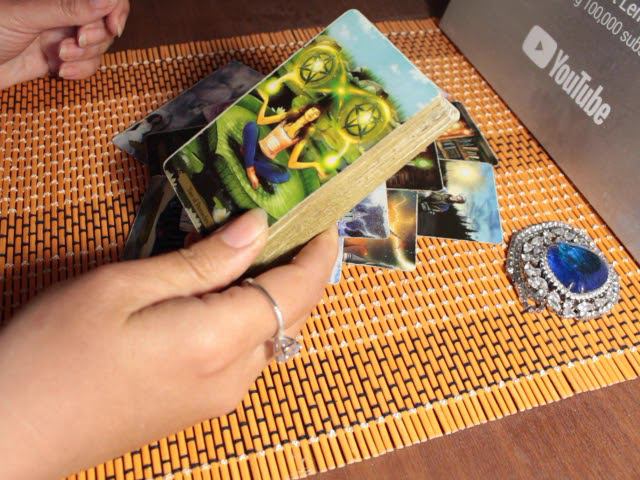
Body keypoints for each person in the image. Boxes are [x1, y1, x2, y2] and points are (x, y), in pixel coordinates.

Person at [0, 2, 339, 479]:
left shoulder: (301, 135)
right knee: (246, 138)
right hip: (252, 144)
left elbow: (293, 160)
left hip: (265, 159)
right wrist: (34, 424)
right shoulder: (278, 116)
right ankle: (248, 167)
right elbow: (259, 122)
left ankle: (252, 170)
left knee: (271, 170)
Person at [242, 91, 330, 190]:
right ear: (308, 109)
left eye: (316, 114)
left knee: (285, 176)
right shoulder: (288, 116)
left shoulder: (302, 137)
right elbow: (261, 121)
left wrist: (314, 164)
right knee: (252, 126)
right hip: (256, 147)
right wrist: (266, 101)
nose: (312, 114)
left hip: (264, 159)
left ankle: (247, 157)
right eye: (313, 110)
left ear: (315, 119)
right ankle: (250, 169)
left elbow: (292, 164)